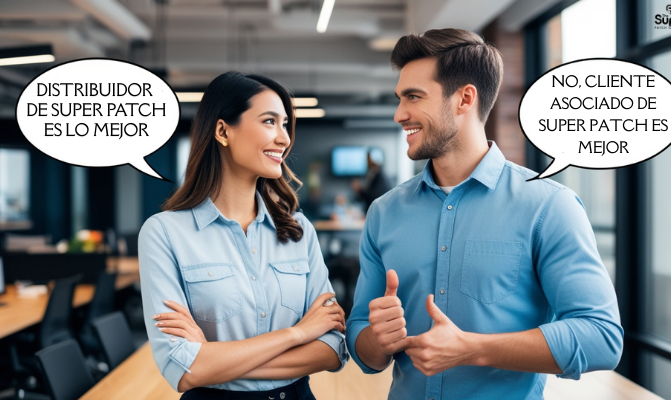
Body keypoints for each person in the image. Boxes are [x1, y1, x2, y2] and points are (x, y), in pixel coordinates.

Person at [346, 29, 623, 400]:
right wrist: (377, 341)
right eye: (400, 98)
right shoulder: (384, 212)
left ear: (465, 98)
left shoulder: (548, 206)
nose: (399, 114)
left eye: (413, 97)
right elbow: (362, 341)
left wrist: (472, 348)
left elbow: (601, 337)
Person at [138, 72, 348, 400]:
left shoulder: (299, 231)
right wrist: (300, 333)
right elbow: (180, 368)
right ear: (223, 131)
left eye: (285, 124)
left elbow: (333, 349)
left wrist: (213, 357)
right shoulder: (164, 233)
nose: (284, 138)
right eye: (269, 121)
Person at [352, 148, 391, 214]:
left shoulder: (379, 175)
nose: (367, 161)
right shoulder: (374, 173)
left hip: (378, 212)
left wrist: (360, 190)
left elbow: (374, 197)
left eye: (368, 158)